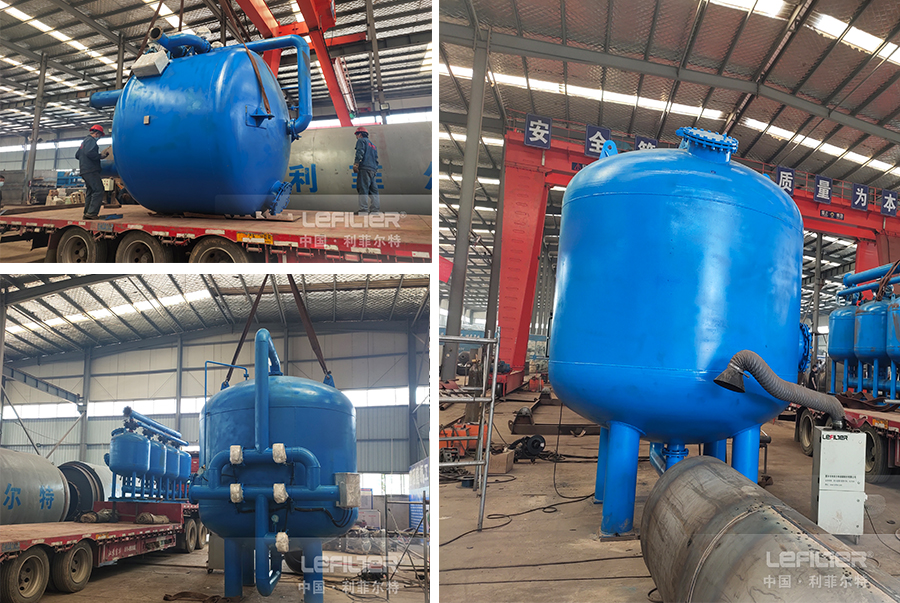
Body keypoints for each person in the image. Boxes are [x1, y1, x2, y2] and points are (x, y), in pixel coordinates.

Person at [75, 124, 109, 219]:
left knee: (91, 191)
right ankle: (92, 213)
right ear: (97, 133)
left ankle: (87, 213)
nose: (99, 137)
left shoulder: (84, 142)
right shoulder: (91, 140)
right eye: (100, 135)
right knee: (99, 190)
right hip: (91, 170)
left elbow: (77, 155)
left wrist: (85, 160)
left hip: (84, 170)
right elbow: (89, 152)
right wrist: (100, 156)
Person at [352, 126, 380, 215]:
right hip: (372, 169)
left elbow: (360, 152)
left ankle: (363, 210)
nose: (356, 137)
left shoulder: (361, 141)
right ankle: (375, 210)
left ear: (360, 134)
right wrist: (375, 169)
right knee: (374, 191)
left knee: (363, 188)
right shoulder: (373, 146)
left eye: (357, 135)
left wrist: (356, 163)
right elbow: (376, 159)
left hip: (364, 168)